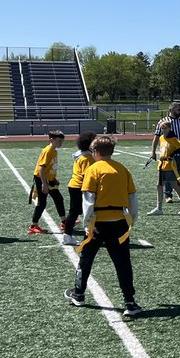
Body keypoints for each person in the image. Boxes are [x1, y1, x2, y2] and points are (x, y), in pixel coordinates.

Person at [64, 135, 142, 318]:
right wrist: (131, 219)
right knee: (123, 262)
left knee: (86, 259)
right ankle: (129, 301)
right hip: (119, 222)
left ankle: (79, 293)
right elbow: (132, 198)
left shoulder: (93, 169)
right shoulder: (122, 169)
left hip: (97, 223)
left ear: (95, 152)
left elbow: (88, 199)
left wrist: (87, 223)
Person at [59, 131, 97, 245]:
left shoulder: (81, 154)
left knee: (75, 211)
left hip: (74, 185)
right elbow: (87, 176)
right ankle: (69, 235)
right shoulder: (87, 158)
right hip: (80, 186)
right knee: (82, 211)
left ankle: (68, 235)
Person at [28, 130, 67, 234]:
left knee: (58, 198)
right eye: (58, 141)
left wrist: (53, 178)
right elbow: (41, 168)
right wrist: (44, 184)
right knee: (42, 203)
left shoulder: (54, 150)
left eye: (62, 141)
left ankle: (64, 222)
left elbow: (50, 167)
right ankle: (33, 225)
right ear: (51, 140)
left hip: (49, 179)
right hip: (42, 179)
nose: (60, 143)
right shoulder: (48, 151)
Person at [151, 102, 180, 202]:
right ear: (171, 110)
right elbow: (156, 137)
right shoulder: (163, 121)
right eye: (178, 110)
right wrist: (153, 151)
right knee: (168, 175)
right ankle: (168, 195)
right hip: (168, 154)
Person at [149, 127, 180, 215]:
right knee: (159, 185)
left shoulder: (173, 139)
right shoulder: (161, 137)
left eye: (164, 128)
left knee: (174, 185)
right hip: (162, 165)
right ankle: (159, 208)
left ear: (169, 129)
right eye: (162, 128)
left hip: (169, 165)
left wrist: (172, 154)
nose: (163, 130)